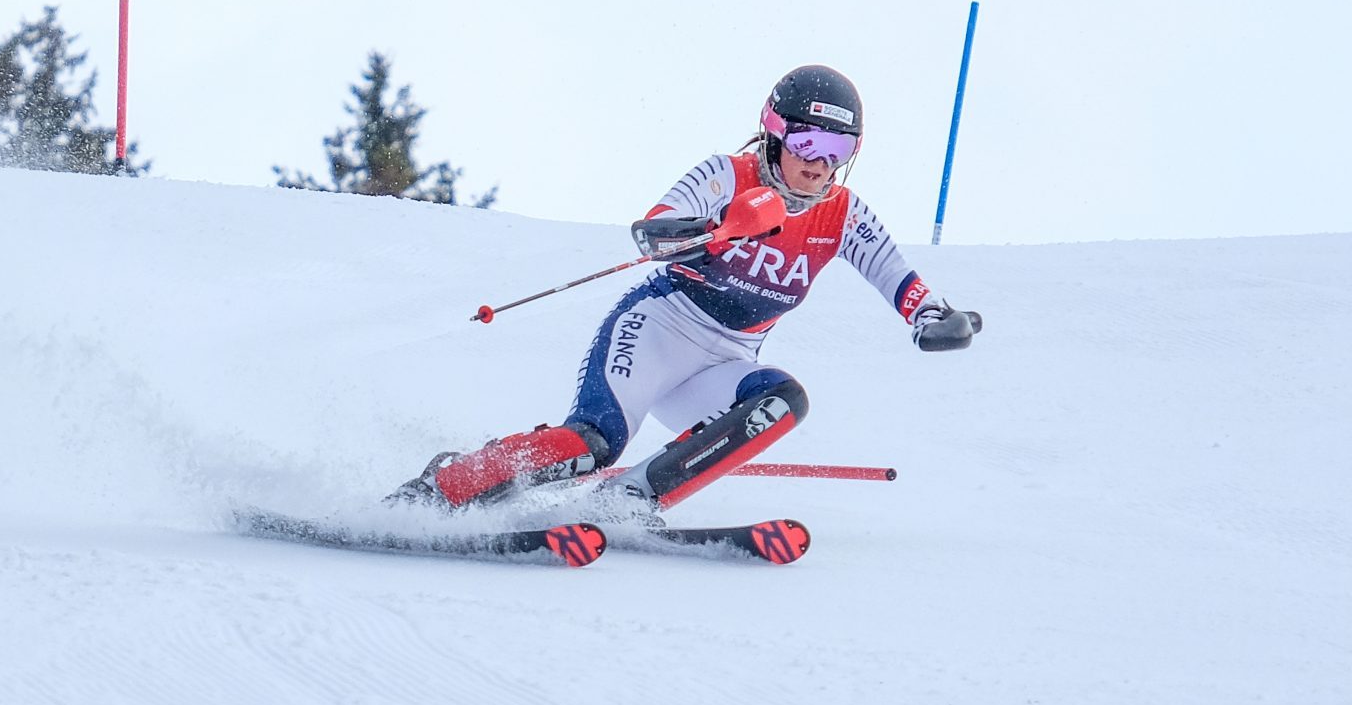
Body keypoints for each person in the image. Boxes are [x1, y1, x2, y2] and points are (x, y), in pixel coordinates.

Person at [389, 64, 981, 513]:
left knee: (783, 402)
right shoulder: (728, 174)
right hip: (658, 331)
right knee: (593, 443)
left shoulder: (843, 214)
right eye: (806, 144)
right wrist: (722, 228)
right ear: (774, 135)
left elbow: (898, 276)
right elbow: (653, 231)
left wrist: (931, 318)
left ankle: (626, 503)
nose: (819, 165)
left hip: (724, 362)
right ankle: (439, 488)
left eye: (837, 150)